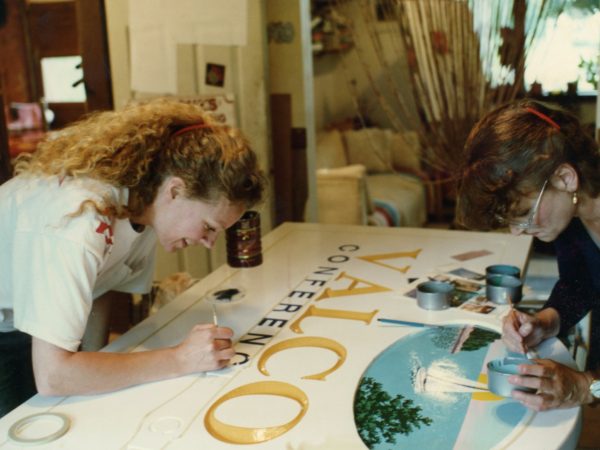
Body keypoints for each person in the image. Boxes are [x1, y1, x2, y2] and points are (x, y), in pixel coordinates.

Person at [0, 98, 266, 417]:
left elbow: (99, 286)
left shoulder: (141, 205)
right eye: (208, 226)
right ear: (175, 191)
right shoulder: (78, 221)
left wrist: (95, 359)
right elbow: (53, 376)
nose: (208, 243)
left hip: (27, 317)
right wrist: (179, 359)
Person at [456, 98, 600, 411]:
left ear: (565, 178)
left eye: (523, 213)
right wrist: (544, 322)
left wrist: (585, 386)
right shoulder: (571, 215)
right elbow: (581, 285)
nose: (517, 231)